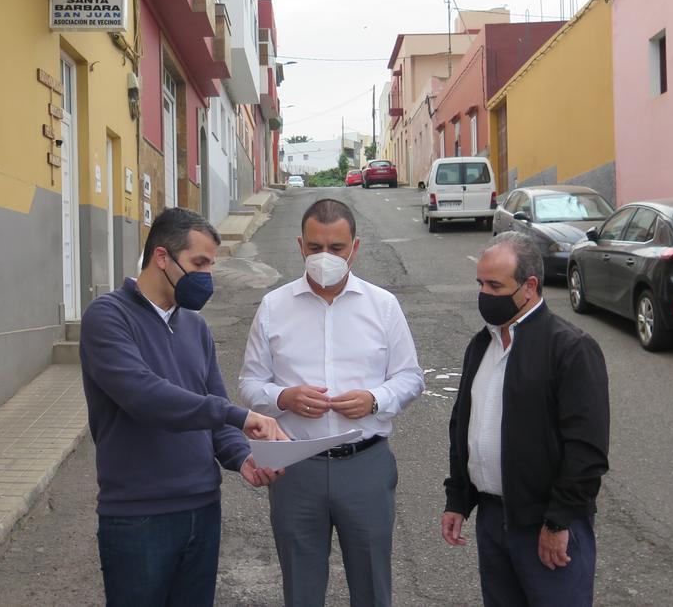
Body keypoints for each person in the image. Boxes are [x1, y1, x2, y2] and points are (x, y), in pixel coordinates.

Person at [80, 207, 286, 607]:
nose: (207, 275)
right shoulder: (107, 317)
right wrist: (239, 416)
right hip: (138, 516)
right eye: (199, 263)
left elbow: (213, 404)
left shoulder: (195, 326)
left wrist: (241, 457)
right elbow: (146, 396)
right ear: (162, 257)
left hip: (202, 508)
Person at [239, 198, 425, 607]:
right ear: (300, 246)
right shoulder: (274, 307)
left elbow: (411, 378)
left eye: (336, 248)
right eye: (315, 247)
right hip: (295, 469)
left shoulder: (383, 306)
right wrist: (283, 397)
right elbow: (250, 384)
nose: (326, 257)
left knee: (373, 587)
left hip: (365, 467)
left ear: (354, 248)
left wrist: (375, 399)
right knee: (301, 590)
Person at [441, 231, 610, 607]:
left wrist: (558, 521)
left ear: (530, 286)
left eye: (495, 285)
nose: (484, 294)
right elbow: (463, 425)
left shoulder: (570, 348)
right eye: (480, 283)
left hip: (546, 526)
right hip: (492, 519)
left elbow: (587, 449)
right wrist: (458, 499)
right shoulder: (481, 344)